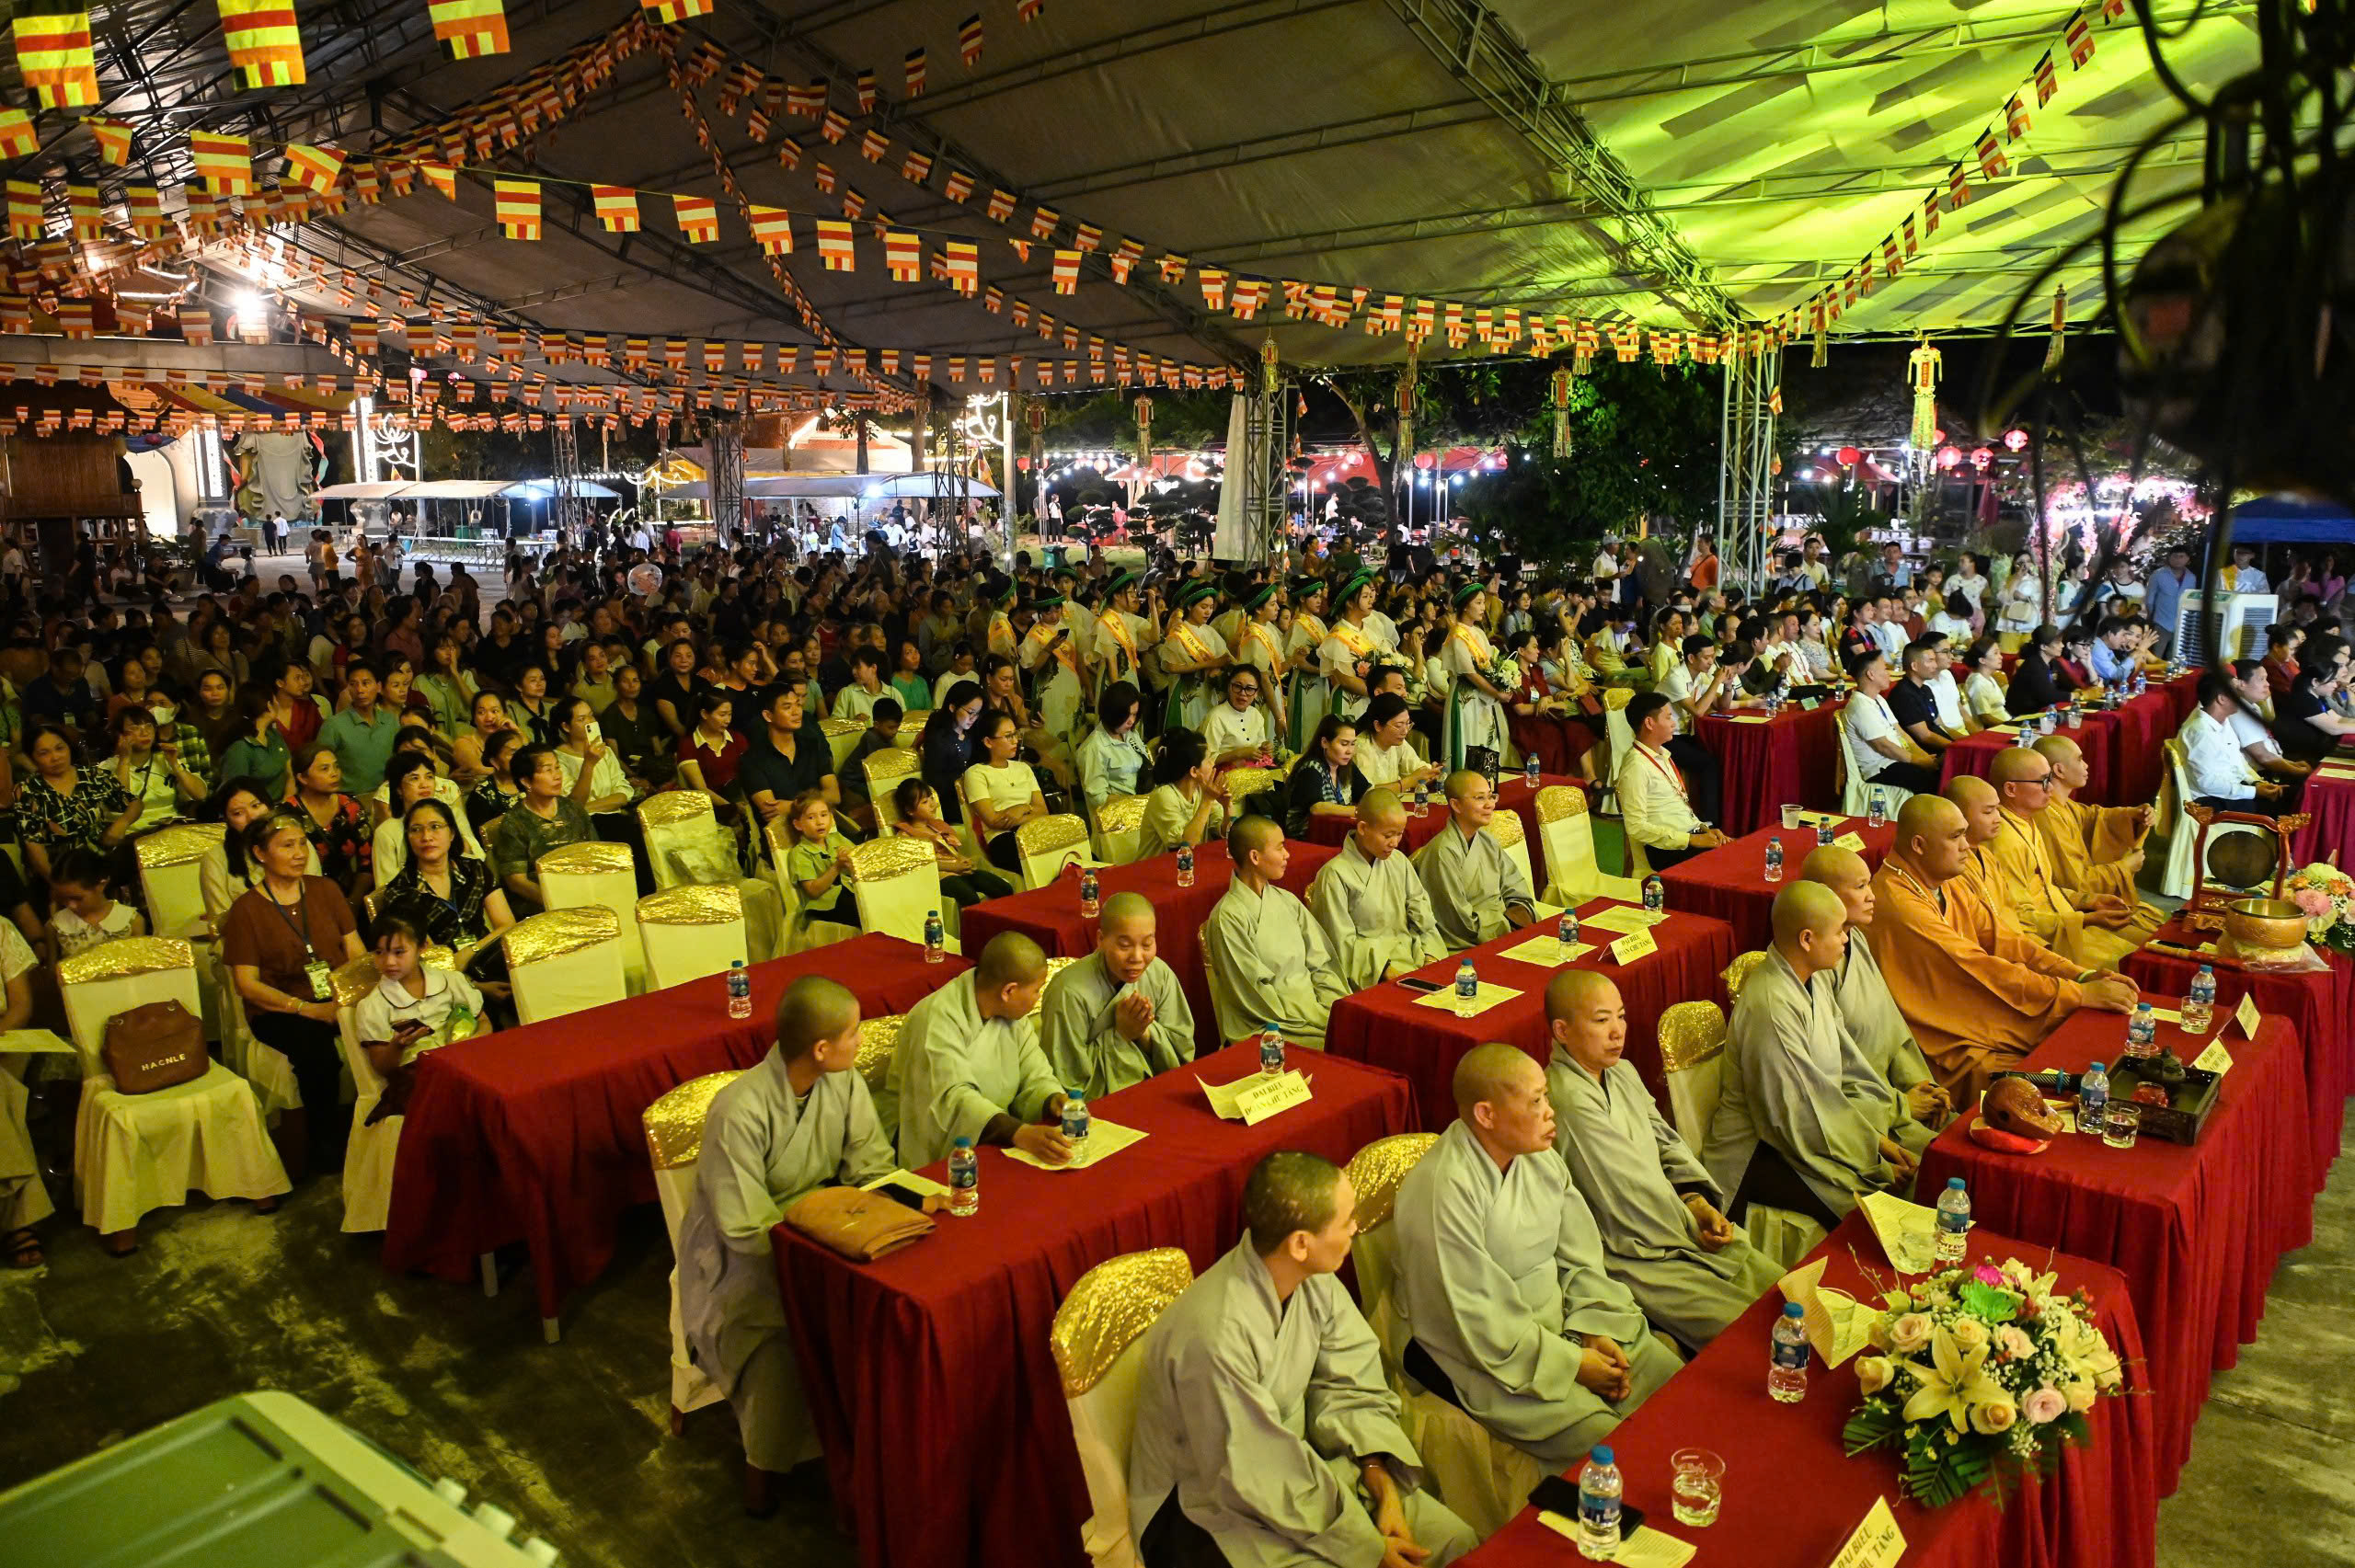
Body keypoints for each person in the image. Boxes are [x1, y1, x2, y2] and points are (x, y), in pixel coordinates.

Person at [1131, 1150, 1476, 1568]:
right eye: (1346, 1220)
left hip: (1305, 1473)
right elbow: (1251, 1469)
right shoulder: (1215, 1335)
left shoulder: (1312, 1278)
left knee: (1456, 1540)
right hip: (1213, 1508)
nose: (1356, 1229)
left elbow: (1351, 1381)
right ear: (1300, 1243)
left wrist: (1378, 1476)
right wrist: (1365, 1546)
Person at [1388, 1042, 1680, 1471]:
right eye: (1537, 1101)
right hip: (1481, 1349)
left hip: (1566, 1321)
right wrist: (1571, 1364)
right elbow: (1470, 1309)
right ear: (1486, 1115)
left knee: (1675, 1388)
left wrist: (1592, 1327)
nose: (1550, 1111)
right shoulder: (1442, 1189)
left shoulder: (1539, 1157)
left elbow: (1580, 1256)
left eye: (1546, 1095)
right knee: (1610, 1446)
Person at [677, 977, 905, 1516]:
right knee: (783, 1341)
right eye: (853, 1034)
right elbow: (745, 1227)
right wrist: (822, 1248)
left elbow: (871, 1165)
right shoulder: (739, 1111)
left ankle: (872, 1465)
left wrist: (902, 1208)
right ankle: (763, 1477)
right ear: (821, 1049)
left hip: (827, 1233)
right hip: (745, 1263)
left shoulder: (842, 1082)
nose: (860, 1043)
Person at [1543, 970, 1780, 1345]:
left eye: (1621, 1016)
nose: (1618, 1031)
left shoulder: (1622, 1072)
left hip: (1674, 1221)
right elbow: (1624, 1193)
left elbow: (1667, 1142)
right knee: (1754, 1335)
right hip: (1634, 1252)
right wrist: (1689, 1223)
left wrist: (1696, 1200)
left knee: (1785, 1293)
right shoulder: (1568, 1100)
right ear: (1562, 1031)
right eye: (1601, 1020)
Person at [1867, 795, 2135, 1103]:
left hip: (1977, 1011)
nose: (1967, 846)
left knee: (2084, 1043)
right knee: (2054, 1073)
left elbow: (2005, 941)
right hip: (1946, 1034)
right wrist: (2077, 994)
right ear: (1918, 845)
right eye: (1955, 837)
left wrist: (2080, 974)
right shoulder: (1900, 903)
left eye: (1965, 835)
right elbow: (1978, 967)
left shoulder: (1946, 882)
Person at [1707, 883, 1916, 1230]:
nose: (1847, 940)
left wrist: (1876, 1138)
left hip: (1813, 1129)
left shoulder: (1815, 979)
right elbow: (1794, 1115)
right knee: (1877, 1207)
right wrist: (1871, 1158)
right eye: (1839, 932)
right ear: (1807, 939)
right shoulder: (1772, 1006)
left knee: (1906, 1161)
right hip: (1759, 1150)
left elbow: (1847, 1065)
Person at [223, 812, 368, 1179]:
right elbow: (247, 984)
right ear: (260, 853)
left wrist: (354, 996)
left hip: (338, 996)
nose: (300, 852)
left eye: (302, 843)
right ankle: (327, 1147)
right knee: (316, 1051)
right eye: (287, 846)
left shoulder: (326, 890)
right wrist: (306, 1009)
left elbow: (356, 952)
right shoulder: (246, 910)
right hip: (280, 1008)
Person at [879, 932, 1073, 1169]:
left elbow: (1035, 1071)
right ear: (1008, 991)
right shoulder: (936, 1019)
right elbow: (951, 1099)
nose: (1037, 998)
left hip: (994, 1132)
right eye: (1036, 990)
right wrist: (1018, 1132)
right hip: (929, 1140)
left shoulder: (1012, 1015)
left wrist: (1052, 1098)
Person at [1797, 846, 1950, 1139]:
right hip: (1861, 1118)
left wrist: (1918, 1084)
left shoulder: (1855, 938)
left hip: (1889, 1095)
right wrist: (1900, 1106)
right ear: (1823, 894)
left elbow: (1889, 1026)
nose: (1872, 896)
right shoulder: (1814, 965)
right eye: (1860, 887)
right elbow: (1829, 1071)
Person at [1983, 748, 2155, 968]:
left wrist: (2090, 901)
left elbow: (2046, 888)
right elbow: (2017, 921)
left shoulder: (2026, 822)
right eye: (2044, 781)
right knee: (2139, 963)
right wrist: (2086, 919)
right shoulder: (2006, 841)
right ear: (2011, 788)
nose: (2052, 788)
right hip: (2043, 945)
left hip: (2065, 922)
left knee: (2152, 946)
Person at [1201, 816, 1348, 1050]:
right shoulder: (1227, 918)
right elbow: (1252, 993)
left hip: (1316, 1010)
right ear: (1255, 857)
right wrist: (1311, 1019)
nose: (1287, 854)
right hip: (1271, 1026)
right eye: (1280, 847)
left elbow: (1322, 964)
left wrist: (1332, 1009)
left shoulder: (1288, 901)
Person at [1037, 891, 1196, 1097]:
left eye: (1147, 944)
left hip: (1161, 1094)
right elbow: (1068, 1084)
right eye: (1125, 945)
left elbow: (1183, 1055)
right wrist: (1121, 1035)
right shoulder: (1068, 992)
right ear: (1101, 939)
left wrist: (1145, 1033)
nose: (1137, 958)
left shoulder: (1160, 974)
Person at [1306, 790, 1447, 990]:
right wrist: (1385, 970)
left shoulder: (1399, 861)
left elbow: (1422, 915)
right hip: (1368, 972)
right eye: (1388, 835)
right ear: (1363, 828)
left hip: (1414, 955)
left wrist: (1431, 958)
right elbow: (1340, 942)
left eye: (1399, 834)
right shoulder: (1334, 874)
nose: (1395, 843)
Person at [2030, 735, 2165, 926]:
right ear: (2059, 770)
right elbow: (2075, 883)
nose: (2086, 765)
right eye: (2079, 759)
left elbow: (2092, 817)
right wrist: (2124, 867)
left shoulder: (2062, 805)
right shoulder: (2048, 816)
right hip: (2074, 913)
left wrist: (2132, 815)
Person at [1416, 769, 1538, 949]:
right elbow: (1459, 922)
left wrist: (1520, 917)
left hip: (1506, 928)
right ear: (1456, 805)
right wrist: (1506, 924)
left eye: (1491, 796)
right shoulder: (1443, 852)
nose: (1489, 804)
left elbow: (1516, 888)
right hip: (1471, 942)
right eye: (1480, 798)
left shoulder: (1488, 842)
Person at [1615, 692, 1730, 871]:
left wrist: (1704, 829)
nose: (1673, 723)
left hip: (1687, 837)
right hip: (1665, 850)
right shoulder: (1635, 767)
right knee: (1731, 864)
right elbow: (1636, 826)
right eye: (1668, 717)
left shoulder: (1663, 755)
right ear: (1649, 723)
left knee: (1741, 851)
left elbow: (1678, 807)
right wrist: (1692, 839)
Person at [488, 742, 595, 912]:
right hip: (541, 906)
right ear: (526, 781)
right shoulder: (514, 823)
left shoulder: (573, 809)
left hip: (585, 893)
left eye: (557, 768)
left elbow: (594, 853)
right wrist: (557, 902)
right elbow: (517, 881)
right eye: (547, 770)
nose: (557, 776)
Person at [1841, 650, 1941, 796]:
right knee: (1931, 780)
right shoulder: (1859, 707)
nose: (1889, 674)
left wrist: (1923, 757)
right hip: (1880, 768)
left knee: (1941, 770)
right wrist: (1919, 762)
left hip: (1896, 760)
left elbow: (1900, 732)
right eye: (1884, 669)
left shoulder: (1879, 699)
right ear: (1871, 675)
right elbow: (1883, 746)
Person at [961, 709, 1048, 874]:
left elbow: (1043, 810)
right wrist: (1025, 814)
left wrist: (1022, 808)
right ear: (988, 742)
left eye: (1015, 734)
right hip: (1002, 839)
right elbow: (993, 821)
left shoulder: (1023, 768)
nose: (1016, 741)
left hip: (1034, 829)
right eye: (1008, 736)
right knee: (1037, 866)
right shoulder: (976, 773)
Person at [1138, 727, 1230, 862]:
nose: (1213, 763)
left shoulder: (1201, 790)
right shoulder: (1164, 795)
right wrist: (1208, 801)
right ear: (1194, 771)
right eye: (1208, 759)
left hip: (1190, 866)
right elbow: (1185, 844)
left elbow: (1225, 834)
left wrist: (1227, 807)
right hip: (1155, 870)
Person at [783, 791, 860, 940]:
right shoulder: (800, 853)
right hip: (824, 905)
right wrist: (837, 866)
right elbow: (813, 891)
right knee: (860, 907)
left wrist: (852, 860)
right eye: (811, 817)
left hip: (848, 892)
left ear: (831, 817)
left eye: (824, 815)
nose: (820, 822)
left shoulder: (837, 839)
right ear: (798, 825)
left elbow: (860, 861)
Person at [45, 846, 145, 958]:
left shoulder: (131, 921)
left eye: (77, 898)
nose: (70, 905)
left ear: (101, 885)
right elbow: (53, 972)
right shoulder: (56, 926)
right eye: (62, 898)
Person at [1076, 681, 1153, 818]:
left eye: (1134, 714)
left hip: (1144, 806)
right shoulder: (1094, 748)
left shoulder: (1129, 733)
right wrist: (1135, 804)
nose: (1131, 721)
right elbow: (1098, 798)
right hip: (1120, 818)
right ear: (1112, 713)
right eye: (1126, 715)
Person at [1284, 715, 1368, 839]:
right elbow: (1317, 807)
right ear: (1324, 743)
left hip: (1336, 829)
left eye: (1353, 744)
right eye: (1344, 744)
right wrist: (1358, 811)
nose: (1350, 751)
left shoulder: (1346, 765)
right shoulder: (1311, 768)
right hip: (1308, 836)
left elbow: (1366, 792)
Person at [1203, 666, 1276, 767]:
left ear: (1256, 693)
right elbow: (1205, 760)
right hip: (1223, 776)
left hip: (1251, 774)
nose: (1242, 693)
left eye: (1249, 689)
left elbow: (1259, 746)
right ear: (1229, 687)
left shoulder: (1256, 714)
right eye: (1237, 686)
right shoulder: (1216, 716)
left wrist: (1264, 749)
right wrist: (1238, 754)